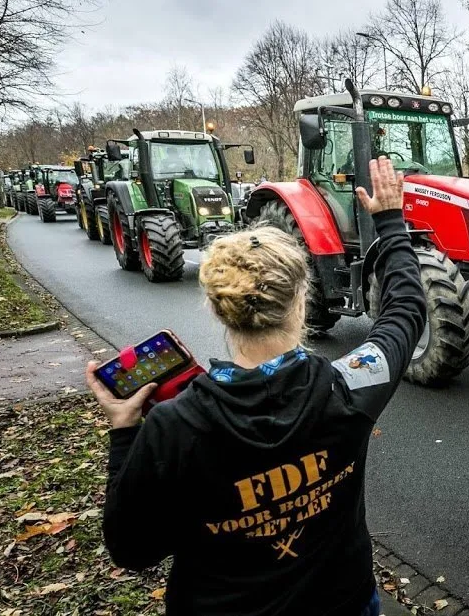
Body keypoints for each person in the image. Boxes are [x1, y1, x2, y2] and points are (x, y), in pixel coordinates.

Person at [86, 157, 425, 616]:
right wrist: (390, 222)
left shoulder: (174, 425)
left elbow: (132, 550)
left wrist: (126, 432)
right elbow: (404, 310)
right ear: (302, 300)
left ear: (217, 308)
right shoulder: (347, 388)